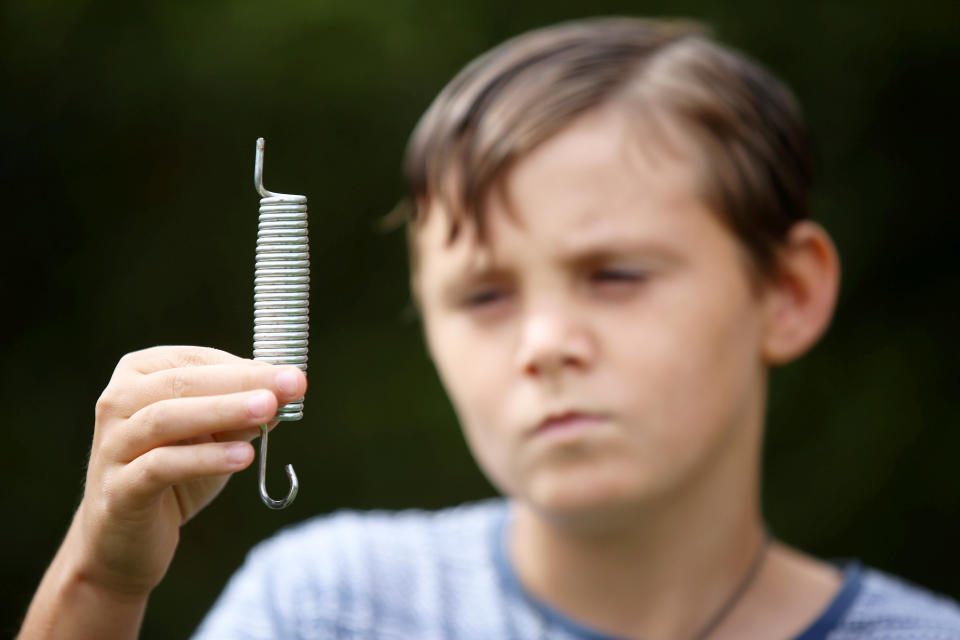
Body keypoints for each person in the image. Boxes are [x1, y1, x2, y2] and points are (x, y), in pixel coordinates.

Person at [18, 17, 960, 640]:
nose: (545, 343)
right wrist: (101, 584)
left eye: (616, 275)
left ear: (787, 291)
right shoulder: (332, 609)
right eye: (484, 296)